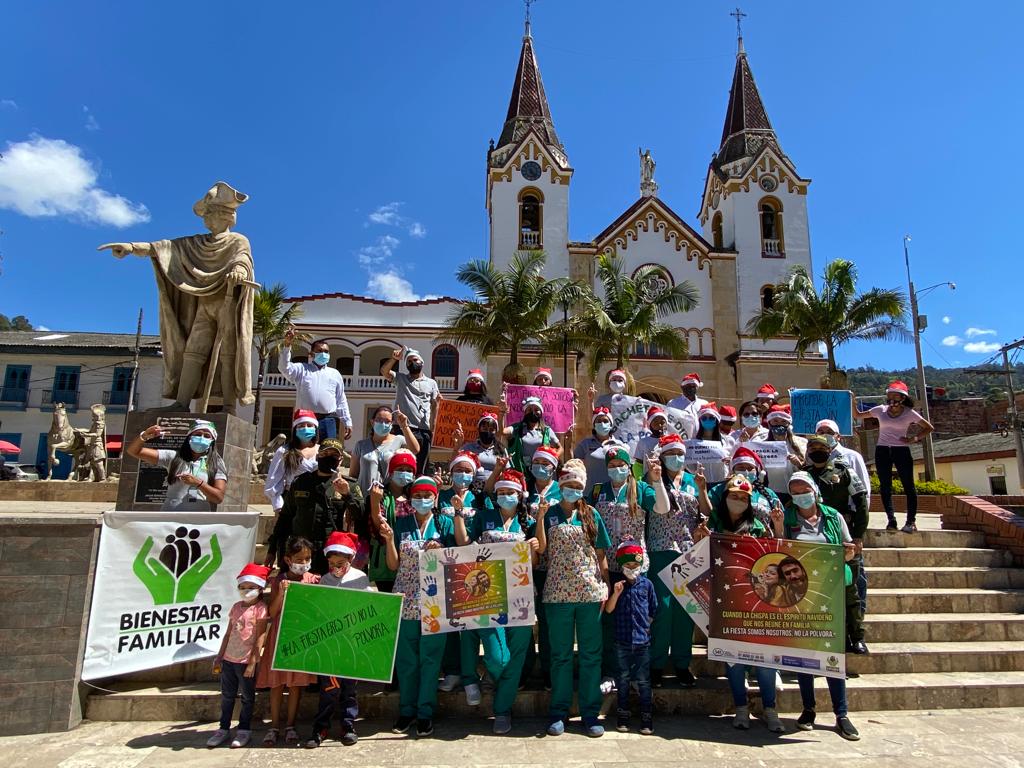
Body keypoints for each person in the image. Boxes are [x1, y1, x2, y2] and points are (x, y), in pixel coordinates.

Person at [693, 475, 785, 734]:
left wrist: (778, 529)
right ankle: (741, 707)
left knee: (766, 662)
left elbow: (777, 554)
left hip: (759, 601)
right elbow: (700, 556)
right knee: (733, 660)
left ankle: (770, 708)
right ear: (725, 498)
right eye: (733, 496)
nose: (738, 501)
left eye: (743, 498)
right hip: (726, 601)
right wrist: (700, 538)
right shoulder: (714, 523)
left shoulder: (758, 526)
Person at [454, 468, 542, 733]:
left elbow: (535, 562)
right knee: (496, 657)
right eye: (501, 492)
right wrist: (459, 514)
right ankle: (494, 679)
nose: (505, 496)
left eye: (510, 493)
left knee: (516, 656)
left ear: (520, 495)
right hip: (487, 594)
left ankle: (502, 709)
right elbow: (465, 545)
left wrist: (535, 549)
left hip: (521, 595)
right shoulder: (484, 517)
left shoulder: (527, 522)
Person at [782, 472, 861, 741]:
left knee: (832, 654)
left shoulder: (833, 516)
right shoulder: (788, 518)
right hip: (800, 593)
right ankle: (808, 709)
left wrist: (849, 552)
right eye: (794, 492)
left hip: (830, 590)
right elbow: (780, 550)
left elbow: (848, 547)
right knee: (805, 656)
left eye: (804, 489)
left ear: (814, 490)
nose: (800, 495)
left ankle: (842, 713)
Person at [382, 475, 457, 737]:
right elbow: (393, 566)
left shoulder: (445, 523)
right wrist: (389, 540)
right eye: (418, 496)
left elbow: (459, 559)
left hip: (437, 602)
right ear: (411, 499)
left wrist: (442, 550)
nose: (423, 500)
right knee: (407, 660)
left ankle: (425, 713)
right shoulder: (401, 524)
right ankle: (406, 710)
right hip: (406, 599)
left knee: (430, 660)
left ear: (436, 499)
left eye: (428, 496)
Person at [543, 458, 612, 738]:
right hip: (557, 593)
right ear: (560, 486)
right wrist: (538, 520)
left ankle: (590, 713)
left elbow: (600, 554)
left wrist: (606, 586)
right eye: (568, 485)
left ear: (582, 488)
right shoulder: (549, 514)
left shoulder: (591, 514)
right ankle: (558, 712)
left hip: (589, 593)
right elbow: (540, 551)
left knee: (590, 656)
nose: (572, 489)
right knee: (559, 656)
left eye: (576, 485)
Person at [592, 446, 668, 690]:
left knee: (637, 620)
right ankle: (610, 672)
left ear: (628, 467)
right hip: (607, 565)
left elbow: (663, 509)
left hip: (634, 566)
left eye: (621, 466)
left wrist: (657, 481)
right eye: (612, 466)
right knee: (608, 621)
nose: (616, 470)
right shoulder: (598, 491)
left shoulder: (640, 489)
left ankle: (636, 673)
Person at [801, 435, 869, 653]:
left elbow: (861, 502)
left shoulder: (843, 471)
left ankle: (856, 637)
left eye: (821, 447)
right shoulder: (805, 475)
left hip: (843, 536)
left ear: (830, 450)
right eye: (813, 448)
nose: (816, 451)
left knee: (850, 591)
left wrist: (858, 535)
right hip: (817, 538)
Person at [646, 434, 701, 688]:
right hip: (660, 548)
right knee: (663, 610)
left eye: (680, 453)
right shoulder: (650, 479)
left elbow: (703, 512)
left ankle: (682, 663)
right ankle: (656, 664)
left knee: (684, 611)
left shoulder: (691, 480)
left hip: (689, 550)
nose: (676, 458)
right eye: (671, 454)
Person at [306, 532, 371, 748]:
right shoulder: (325, 580)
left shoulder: (360, 578)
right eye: (331, 563)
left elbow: (371, 607)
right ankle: (321, 727)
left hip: (352, 644)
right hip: (330, 645)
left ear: (351, 559)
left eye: (340, 563)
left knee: (349, 689)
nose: (335, 567)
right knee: (328, 688)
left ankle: (348, 725)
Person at [258, 537, 320, 748]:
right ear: (287, 559)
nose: (304, 563)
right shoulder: (279, 580)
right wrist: (282, 592)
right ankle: (274, 726)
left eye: (308, 558)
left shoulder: (313, 580)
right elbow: (272, 612)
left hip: (301, 638)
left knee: (295, 685)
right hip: (280, 636)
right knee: (277, 684)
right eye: (299, 559)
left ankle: (291, 725)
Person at [265, 439, 362, 574]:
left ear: (340, 460)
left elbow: (360, 515)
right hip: (301, 552)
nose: (328, 457)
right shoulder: (301, 482)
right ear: (317, 456)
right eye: (324, 453)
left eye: (333, 455)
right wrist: (272, 549)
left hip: (331, 553)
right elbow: (285, 518)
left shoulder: (349, 485)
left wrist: (347, 495)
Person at [854, 380, 934, 533]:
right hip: (882, 450)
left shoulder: (909, 413)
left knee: (908, 486)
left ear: (902, 398)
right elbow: (858, 415)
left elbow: (928, 427)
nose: (892, 399)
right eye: (889, 395)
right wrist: (852, 402)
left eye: (895, 396)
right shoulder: (880, 410)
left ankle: (911, 521)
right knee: (885, 486)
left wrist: (913, 439)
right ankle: (891, 519)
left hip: (901, 450)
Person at [207, 563, 270, 749]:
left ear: (259, 588)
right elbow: (228, 633)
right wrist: (220, 656)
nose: (246, 591)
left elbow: (260, 636)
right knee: (227, 695)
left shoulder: (260, 609)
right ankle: (223, 728)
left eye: (250, 587)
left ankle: (244, 729)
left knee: (247, 697)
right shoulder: (236, 607)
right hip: (229, 659)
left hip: (245, 661)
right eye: (242, 587)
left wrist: (252, 661)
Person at [815, 418, 870, 614]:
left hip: (847, 522)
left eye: (828, 430)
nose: (824, 433)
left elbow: (863, 494)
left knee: (855, 574)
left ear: (838, 435)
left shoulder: (851, 457)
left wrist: (858, 531)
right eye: (820, 430)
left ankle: (858, 616)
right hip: (821, 525)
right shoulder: (813, 456)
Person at [605, 541, 658, 735]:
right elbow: (609, 610)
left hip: (642, 642)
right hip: (622, 641)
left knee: (643, 681)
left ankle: (646, 716)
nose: (632, 569)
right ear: (621, 566)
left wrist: (645, 627)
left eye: (635, 566)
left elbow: (653, 608)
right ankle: (623, 715)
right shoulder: (618, 585)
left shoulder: (647, 585)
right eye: (628, 566)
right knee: (624, 679)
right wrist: (616, 593)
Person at [128, 419, 227, 511]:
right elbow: (133, 451)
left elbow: (218, 498)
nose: (201, 438)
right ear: (189, 437)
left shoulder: (216, 463)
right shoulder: (173, 457)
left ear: (212, 441)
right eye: (198, 434)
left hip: (199, 520)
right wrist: (144, 436)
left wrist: (198, 483)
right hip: (171, 517)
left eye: (207, 436)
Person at [278, 330, 352, 441]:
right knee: (303, 451)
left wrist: (347, 421)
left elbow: (341, 400)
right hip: (305, 418)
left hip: (328, 419)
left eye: (326, 352)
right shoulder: (302, 369)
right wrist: (287, 345)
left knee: (327, 453)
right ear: (312, 354)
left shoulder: (335, 374)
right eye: (320, 351)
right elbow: (284, 368)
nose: (324, 354)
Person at [381, 347, 441, 474]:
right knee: (401, 463)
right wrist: (394, 359)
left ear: (422, 362)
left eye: (415, 360)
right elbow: (384, 371)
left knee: (420, 468)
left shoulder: (431, 383)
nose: (412, 363)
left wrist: (433, 429)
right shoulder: (400, 378)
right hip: (401, 428)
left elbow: (435, 406)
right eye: (408, 362)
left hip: (423, 430)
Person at [366, 449, 418, 592]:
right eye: (400, 469)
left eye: (408, 470)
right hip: (385, 564)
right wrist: (375, 503)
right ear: (391, 471)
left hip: (411, 563)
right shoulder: (380, 495)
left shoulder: (416, 496)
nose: (404, 473)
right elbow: (377, 529)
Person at [703, 446, 781, 529]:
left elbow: (780, 522)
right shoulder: (718, 490)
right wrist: (702, 489)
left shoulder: (769, 493)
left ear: (757, 471)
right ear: (732, 470)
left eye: (750, 468)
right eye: (741, 468)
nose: (746, 471)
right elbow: (708, 515)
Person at [350, 405, 420, 495]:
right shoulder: (361, 445)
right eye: (379, 420)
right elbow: (353, 475)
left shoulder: (399, 440)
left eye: (387, 421)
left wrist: (404, 426)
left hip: (388, 498)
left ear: (392, 424)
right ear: (372, 422)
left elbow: (415, 449)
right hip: (364, 498)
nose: (383, 424)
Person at [263, 410, 320, 513]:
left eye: (309, 425)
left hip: (317, 500)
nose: (306, 428)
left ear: (315, 429)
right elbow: (274, 479)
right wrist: (278, 505)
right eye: (301, 425)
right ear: (295, 429)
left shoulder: (323, 451)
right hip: (292, 500)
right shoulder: (284, 451)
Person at [503, 395, 561, 478]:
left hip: (541, 472)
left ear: (541, 412)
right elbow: (502, 432)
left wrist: (551, 459)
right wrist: (502, 413)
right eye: (529, 409)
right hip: (521, 472)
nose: (533, 412)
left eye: (536, 409)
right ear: (525, 412)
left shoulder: (546, 430)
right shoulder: (517, 428)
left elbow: (560, 448)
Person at [764, 405, 806, 500]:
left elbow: (810, 467)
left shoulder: (802, 443)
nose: (779, 424)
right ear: (770, 423)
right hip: (775, 493)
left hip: (798, 492)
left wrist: (800, 464)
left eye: (783, 421)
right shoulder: (764, 445)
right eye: (775, 421)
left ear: (788, 423)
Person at [574, 407, 619, 495]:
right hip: (589, 492)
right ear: (594, 425)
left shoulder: (619, 445)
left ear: (611, 424)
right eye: (598, 421)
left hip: (612, 493)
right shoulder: (585, 444)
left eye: (605, 421)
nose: (602, 424)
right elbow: (576, 466)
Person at [450, 412, 506, 476]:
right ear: (478, 429)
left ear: (496, 431)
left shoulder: (501, 450)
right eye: (484, 429)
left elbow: (506, 471)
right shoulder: (469, 448)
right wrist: (457, 447)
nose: (488, 432)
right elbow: (454, 465)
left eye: (491, 429)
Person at [691, 402, 731, 484]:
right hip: (701, 484)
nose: (708, 420)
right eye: (704, 418)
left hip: (722, 484)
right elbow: (689, 466)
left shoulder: (728, 440)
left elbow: (734, 462)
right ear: (700, 420)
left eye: (711, 418)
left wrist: (730, 460)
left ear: (717, 420)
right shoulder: (693, 443)